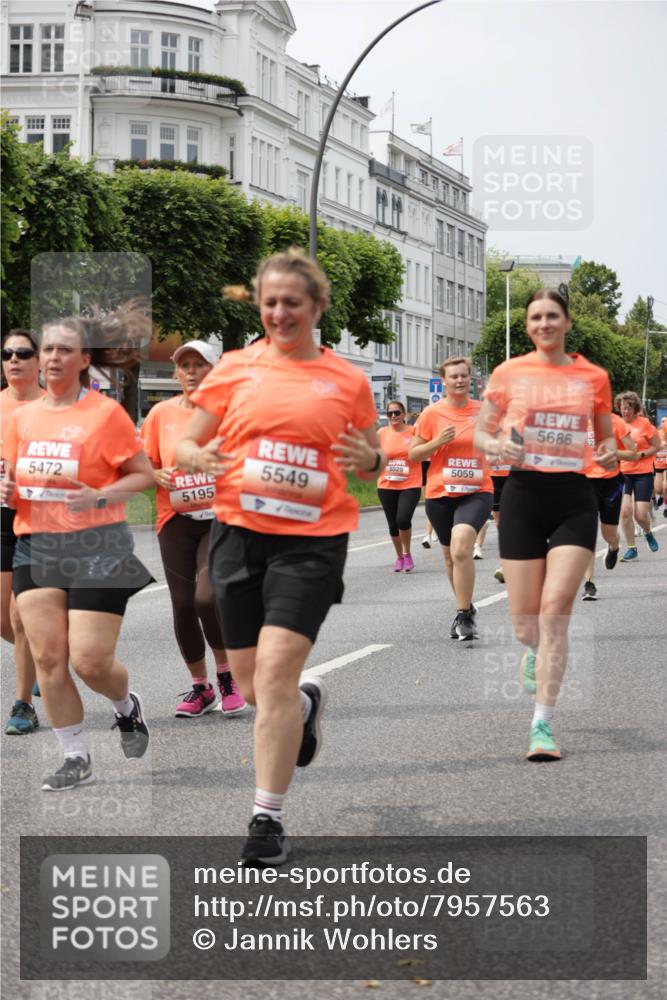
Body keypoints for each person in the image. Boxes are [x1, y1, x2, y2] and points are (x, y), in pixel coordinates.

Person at [175, 248, 384, 865]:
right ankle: (306, 703)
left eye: (292, 302)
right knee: (254, 680)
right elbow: (189, 439)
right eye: (269, 303)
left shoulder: (346, 379)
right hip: (240, 535)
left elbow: (374, 458)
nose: (279, 312)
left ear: (316, 307)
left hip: (313, 540)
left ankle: (265, 819)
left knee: (274, 673)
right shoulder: (235, 368)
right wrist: (195, 457)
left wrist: (366, 461)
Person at [0, 302, 155, 791]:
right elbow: (15, 477)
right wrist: (8, 492)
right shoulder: (22, 418)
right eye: (47, 349)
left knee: (89, 661)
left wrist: (100, 496)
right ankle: (75, 756)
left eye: (64, 349)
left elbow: (144, 474)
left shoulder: (104, 414)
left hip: (98, 547)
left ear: (84, 359)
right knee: (48, 657)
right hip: (36, 544)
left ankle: (126, 707)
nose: (51, 357)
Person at [474, 289, 617, 761]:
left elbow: (605, 438)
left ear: (567, 321)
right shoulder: (509, 372)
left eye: (552, 315)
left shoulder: (593, 376)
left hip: (574, 498)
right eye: (535, 316)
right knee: (525, 625)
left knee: (555, 609)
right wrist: (497, 448)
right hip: (521, 498)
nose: (543, 323)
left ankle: (542, 727)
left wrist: (610, 452)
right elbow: (482, 432)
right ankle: (532, 650)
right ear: (528, 324)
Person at [140, 340, 246, 717]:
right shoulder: (159, 415)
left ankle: (226, 675)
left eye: (198, 364)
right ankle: (200, 687)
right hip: (175, 521)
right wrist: (156, 474)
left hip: (219, 521)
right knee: (183, 606)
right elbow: (142, 467)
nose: (189, 371)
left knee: (206, 598)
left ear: (212, 371)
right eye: (183, 364)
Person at [409, 357, 493, 641]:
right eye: (453, 376)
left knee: (460, 548)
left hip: (477, 490)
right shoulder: (432, 414)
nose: (459, 380)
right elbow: (413, 454)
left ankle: (464, 617)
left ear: (471, 379)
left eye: (463, 376)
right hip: (440, 494)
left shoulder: (484, 412)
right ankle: (465, 607)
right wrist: (437, 443)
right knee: (449, 558)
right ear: (443, 381)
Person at [1, 330, 42, 735]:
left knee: (20, 613)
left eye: (23, 353)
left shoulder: (53, 406)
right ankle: (41, 662)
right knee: (3, 617)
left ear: (39, 362)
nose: (14, 359)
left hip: (38, 519)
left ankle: (23, 704)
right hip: (0, 516)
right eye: (7, 353)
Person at [581, 414, 636, 600]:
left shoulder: (615, 422)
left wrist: (614, 454)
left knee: (608, 534)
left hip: (610, 483)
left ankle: (613, 547)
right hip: (585, 482)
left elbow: (632, 452)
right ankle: (589, 583)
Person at [377, 400, 421, 572]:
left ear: (404, 414)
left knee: (403, 519)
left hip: (410, 482)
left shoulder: (414, 432)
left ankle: (407, 552)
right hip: (386, 484)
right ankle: (399, 556)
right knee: (392, 524)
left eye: (397, 413)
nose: (393, 416)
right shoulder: (381, 433)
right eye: (390, 413)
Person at [616, 391, 661, 560]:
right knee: (625, 512)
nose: (625, 411)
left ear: (635, 409)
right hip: (623, 472)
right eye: (622, 408)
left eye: (628, 408)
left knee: (641, 515)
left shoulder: (644, 424)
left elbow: (656, 445)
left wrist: (641, 455)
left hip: (643, 473)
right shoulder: (617, 424)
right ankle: (632, 547)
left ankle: (648, 533)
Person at [652, 416, 667, 514]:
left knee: (665, 486)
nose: (664, 423)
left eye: (665, 421)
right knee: (658, 489)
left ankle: (665, 504)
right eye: (662, 421)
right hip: (657, 464)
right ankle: (661, 496)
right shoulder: (656, 434)